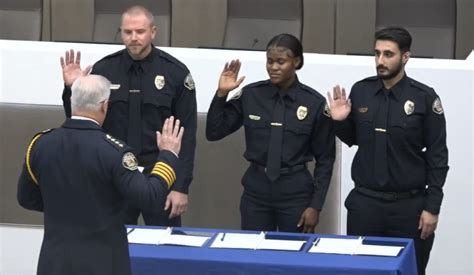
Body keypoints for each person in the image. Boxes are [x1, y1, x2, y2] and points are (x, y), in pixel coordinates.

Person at [17, 75, 184, 275]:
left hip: (55, 263)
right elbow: (149, 197)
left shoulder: (40, 144)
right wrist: (167, 155)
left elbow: (26, 198)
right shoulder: (114, 152)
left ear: (72, 102)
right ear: (105, 105)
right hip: (103, 264)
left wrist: (65, 206)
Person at [60, 5, 197, 226]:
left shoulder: (176, 73)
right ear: (121, 32)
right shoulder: (104, 69)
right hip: (115, 172)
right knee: (111, 247)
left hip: (160, 173)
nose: (133, 38)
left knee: (163, 246)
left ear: (153, 32)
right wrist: (71, 88)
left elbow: (187, 135)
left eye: (140, 32)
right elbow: (81, 119)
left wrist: (181, 186)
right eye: (127, 32)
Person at [328, 26, 449, 275]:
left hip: (409, 208)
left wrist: (432, 207)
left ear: (405, 57)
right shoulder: (361, 91)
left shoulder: (425, 98)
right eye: (377, 53)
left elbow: (438, 156)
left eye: (388, 54)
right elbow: (353, 139)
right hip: (366, 206)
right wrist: (339, 121)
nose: (380, 61)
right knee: (362, 271)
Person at [206, 34, 335, 233]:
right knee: (252, 254)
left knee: (292, 255)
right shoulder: (251, 95)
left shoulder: (314, 103)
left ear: (297, 62)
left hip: (295, 192)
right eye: (270, 61)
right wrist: (221, 94)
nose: (273, 67)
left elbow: (325, 159)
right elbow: (214, 132)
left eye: (281, 62)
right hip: (257, 191)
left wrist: (315, 206)